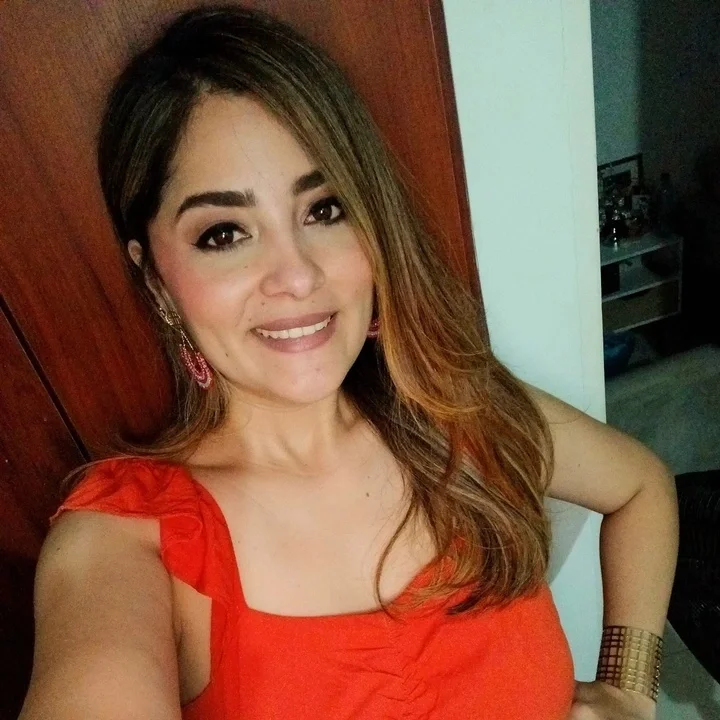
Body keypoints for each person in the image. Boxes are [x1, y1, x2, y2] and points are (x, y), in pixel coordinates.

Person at [19, 5, 678, 720]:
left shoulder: (458, 413)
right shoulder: (126, 541)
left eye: (324, 210)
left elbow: (640, 486)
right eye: (225, 233)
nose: (297, 276)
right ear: (155, 279)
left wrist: (628, 690)